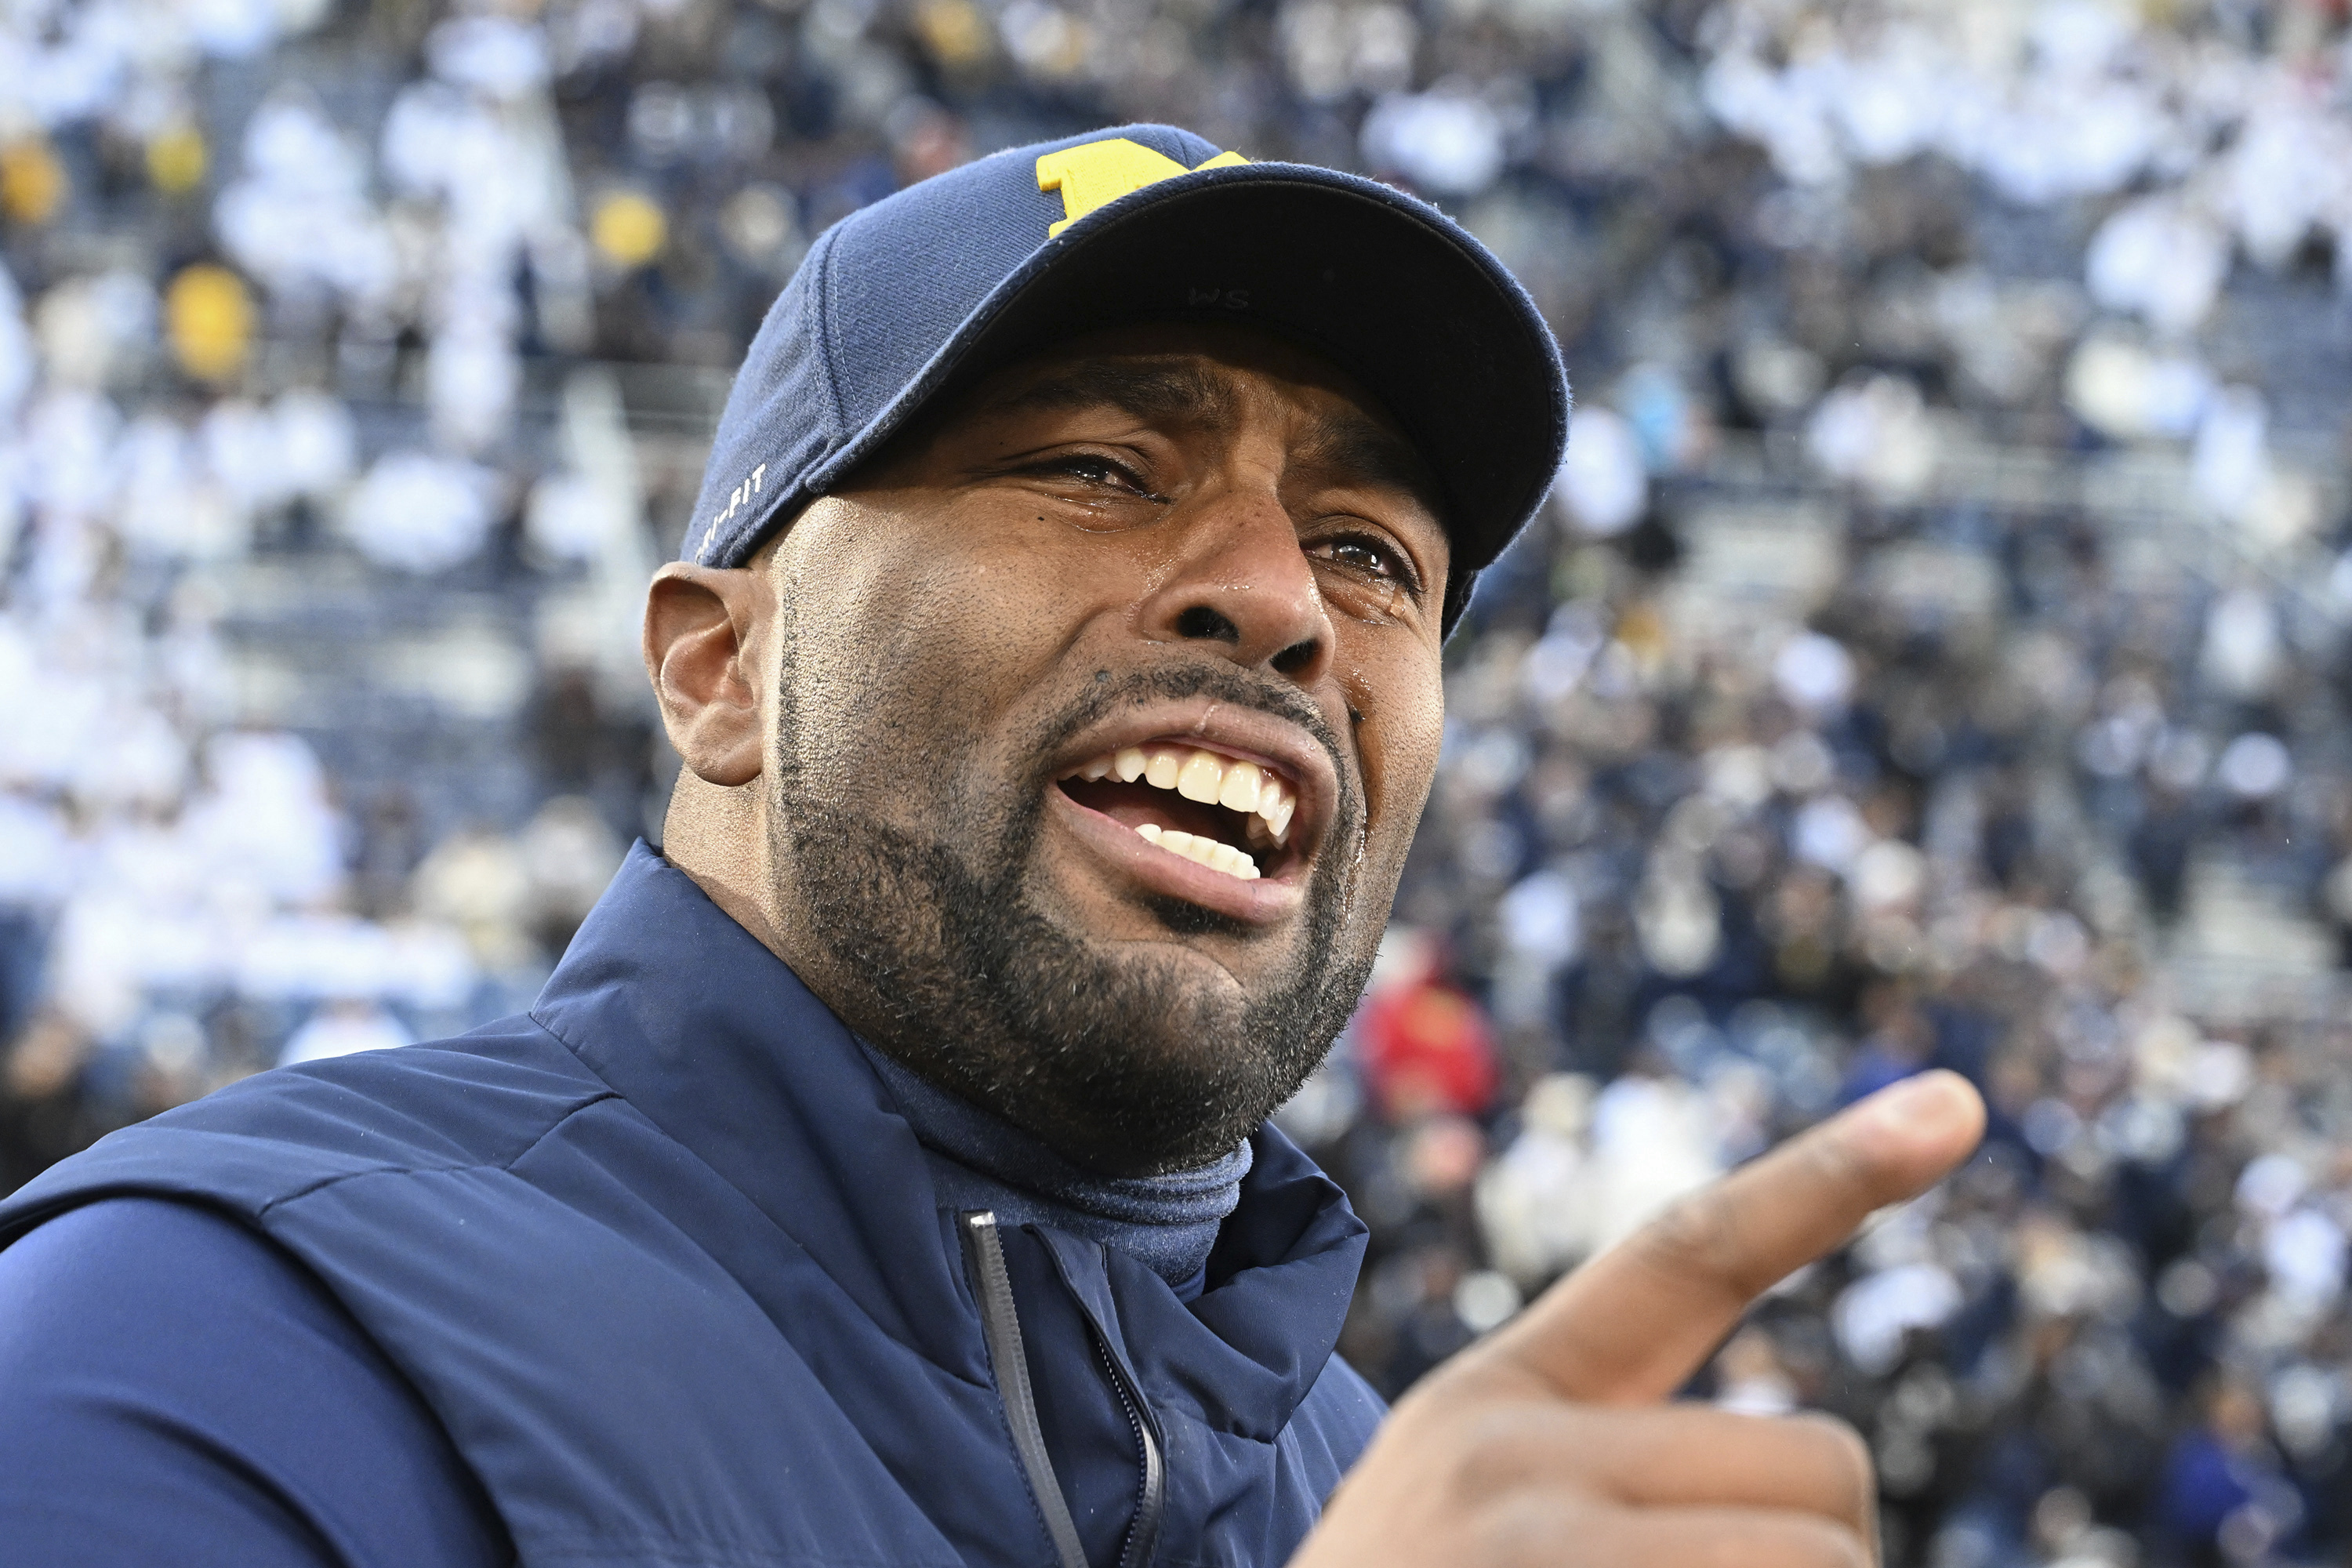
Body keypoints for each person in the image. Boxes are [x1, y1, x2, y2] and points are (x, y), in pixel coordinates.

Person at [0, 125, 1984, 1566]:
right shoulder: (230, 1345)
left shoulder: (1372, 1481)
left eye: (1374, 555)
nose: (1280, 601)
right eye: (1099, 469)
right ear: (718, 670)